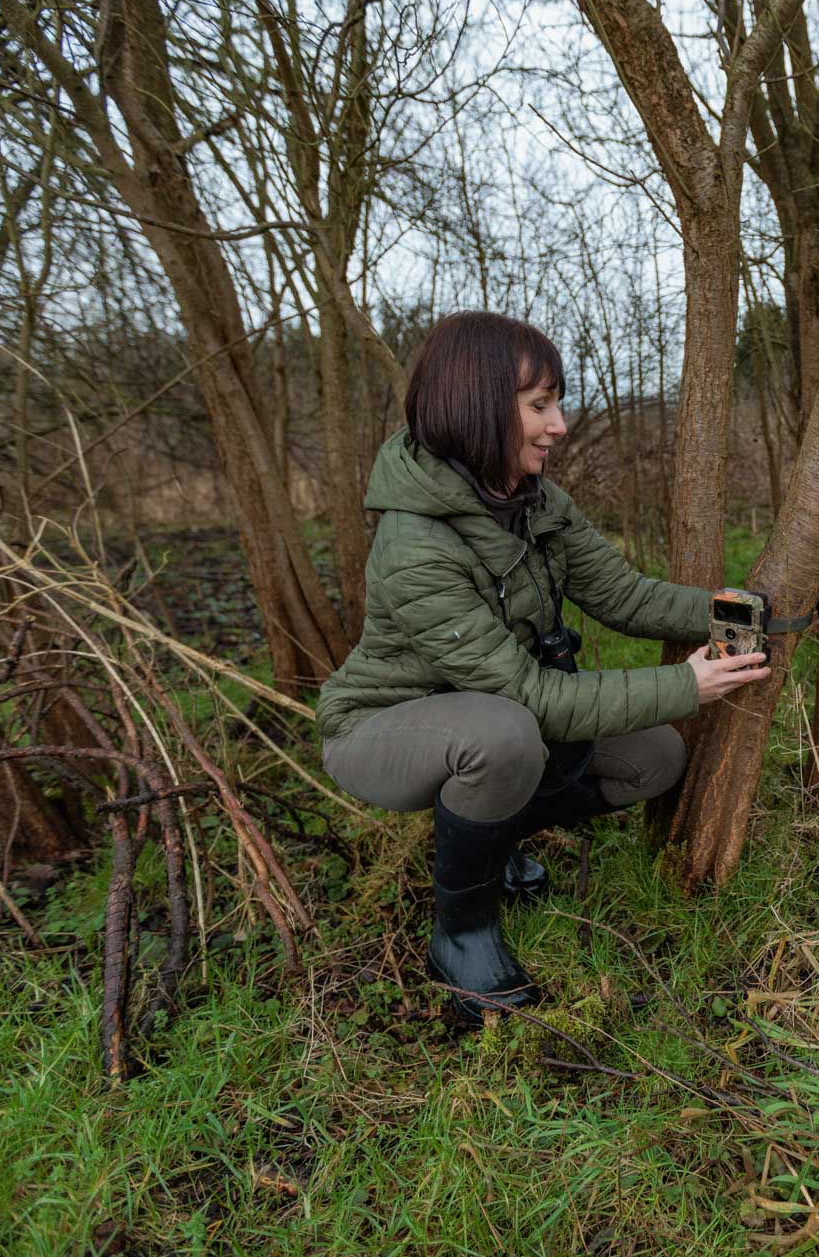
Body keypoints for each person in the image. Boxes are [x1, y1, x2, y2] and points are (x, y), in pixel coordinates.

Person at [317, 311, 771, 1026]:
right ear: (479, 406)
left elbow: (625, 595)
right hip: (381, 729)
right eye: (540, 406)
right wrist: (687, 683)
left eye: (557, 402)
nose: (559, 424)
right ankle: (461, 936)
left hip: (496, 713)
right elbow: (530, 696)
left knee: (655, 756)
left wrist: (744, 612)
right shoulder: (416, 545)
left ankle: (491, 843)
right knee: (504, 735)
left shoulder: (533, 501)